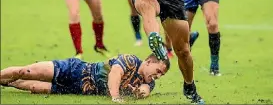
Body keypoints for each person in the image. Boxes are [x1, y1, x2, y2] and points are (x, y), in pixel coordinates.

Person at [0, 53, 169, 103]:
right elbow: (115, 74)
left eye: (162, 74)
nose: (158, 76)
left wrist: (139, 93)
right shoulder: (130, 60)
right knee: (26, 71)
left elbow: (145, 91)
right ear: (148, 61)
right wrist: (116, 96)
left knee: (34, 87)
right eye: (159, 70)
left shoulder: (149, 82)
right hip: (75, 70)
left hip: (78, 89)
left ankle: (5, 82)